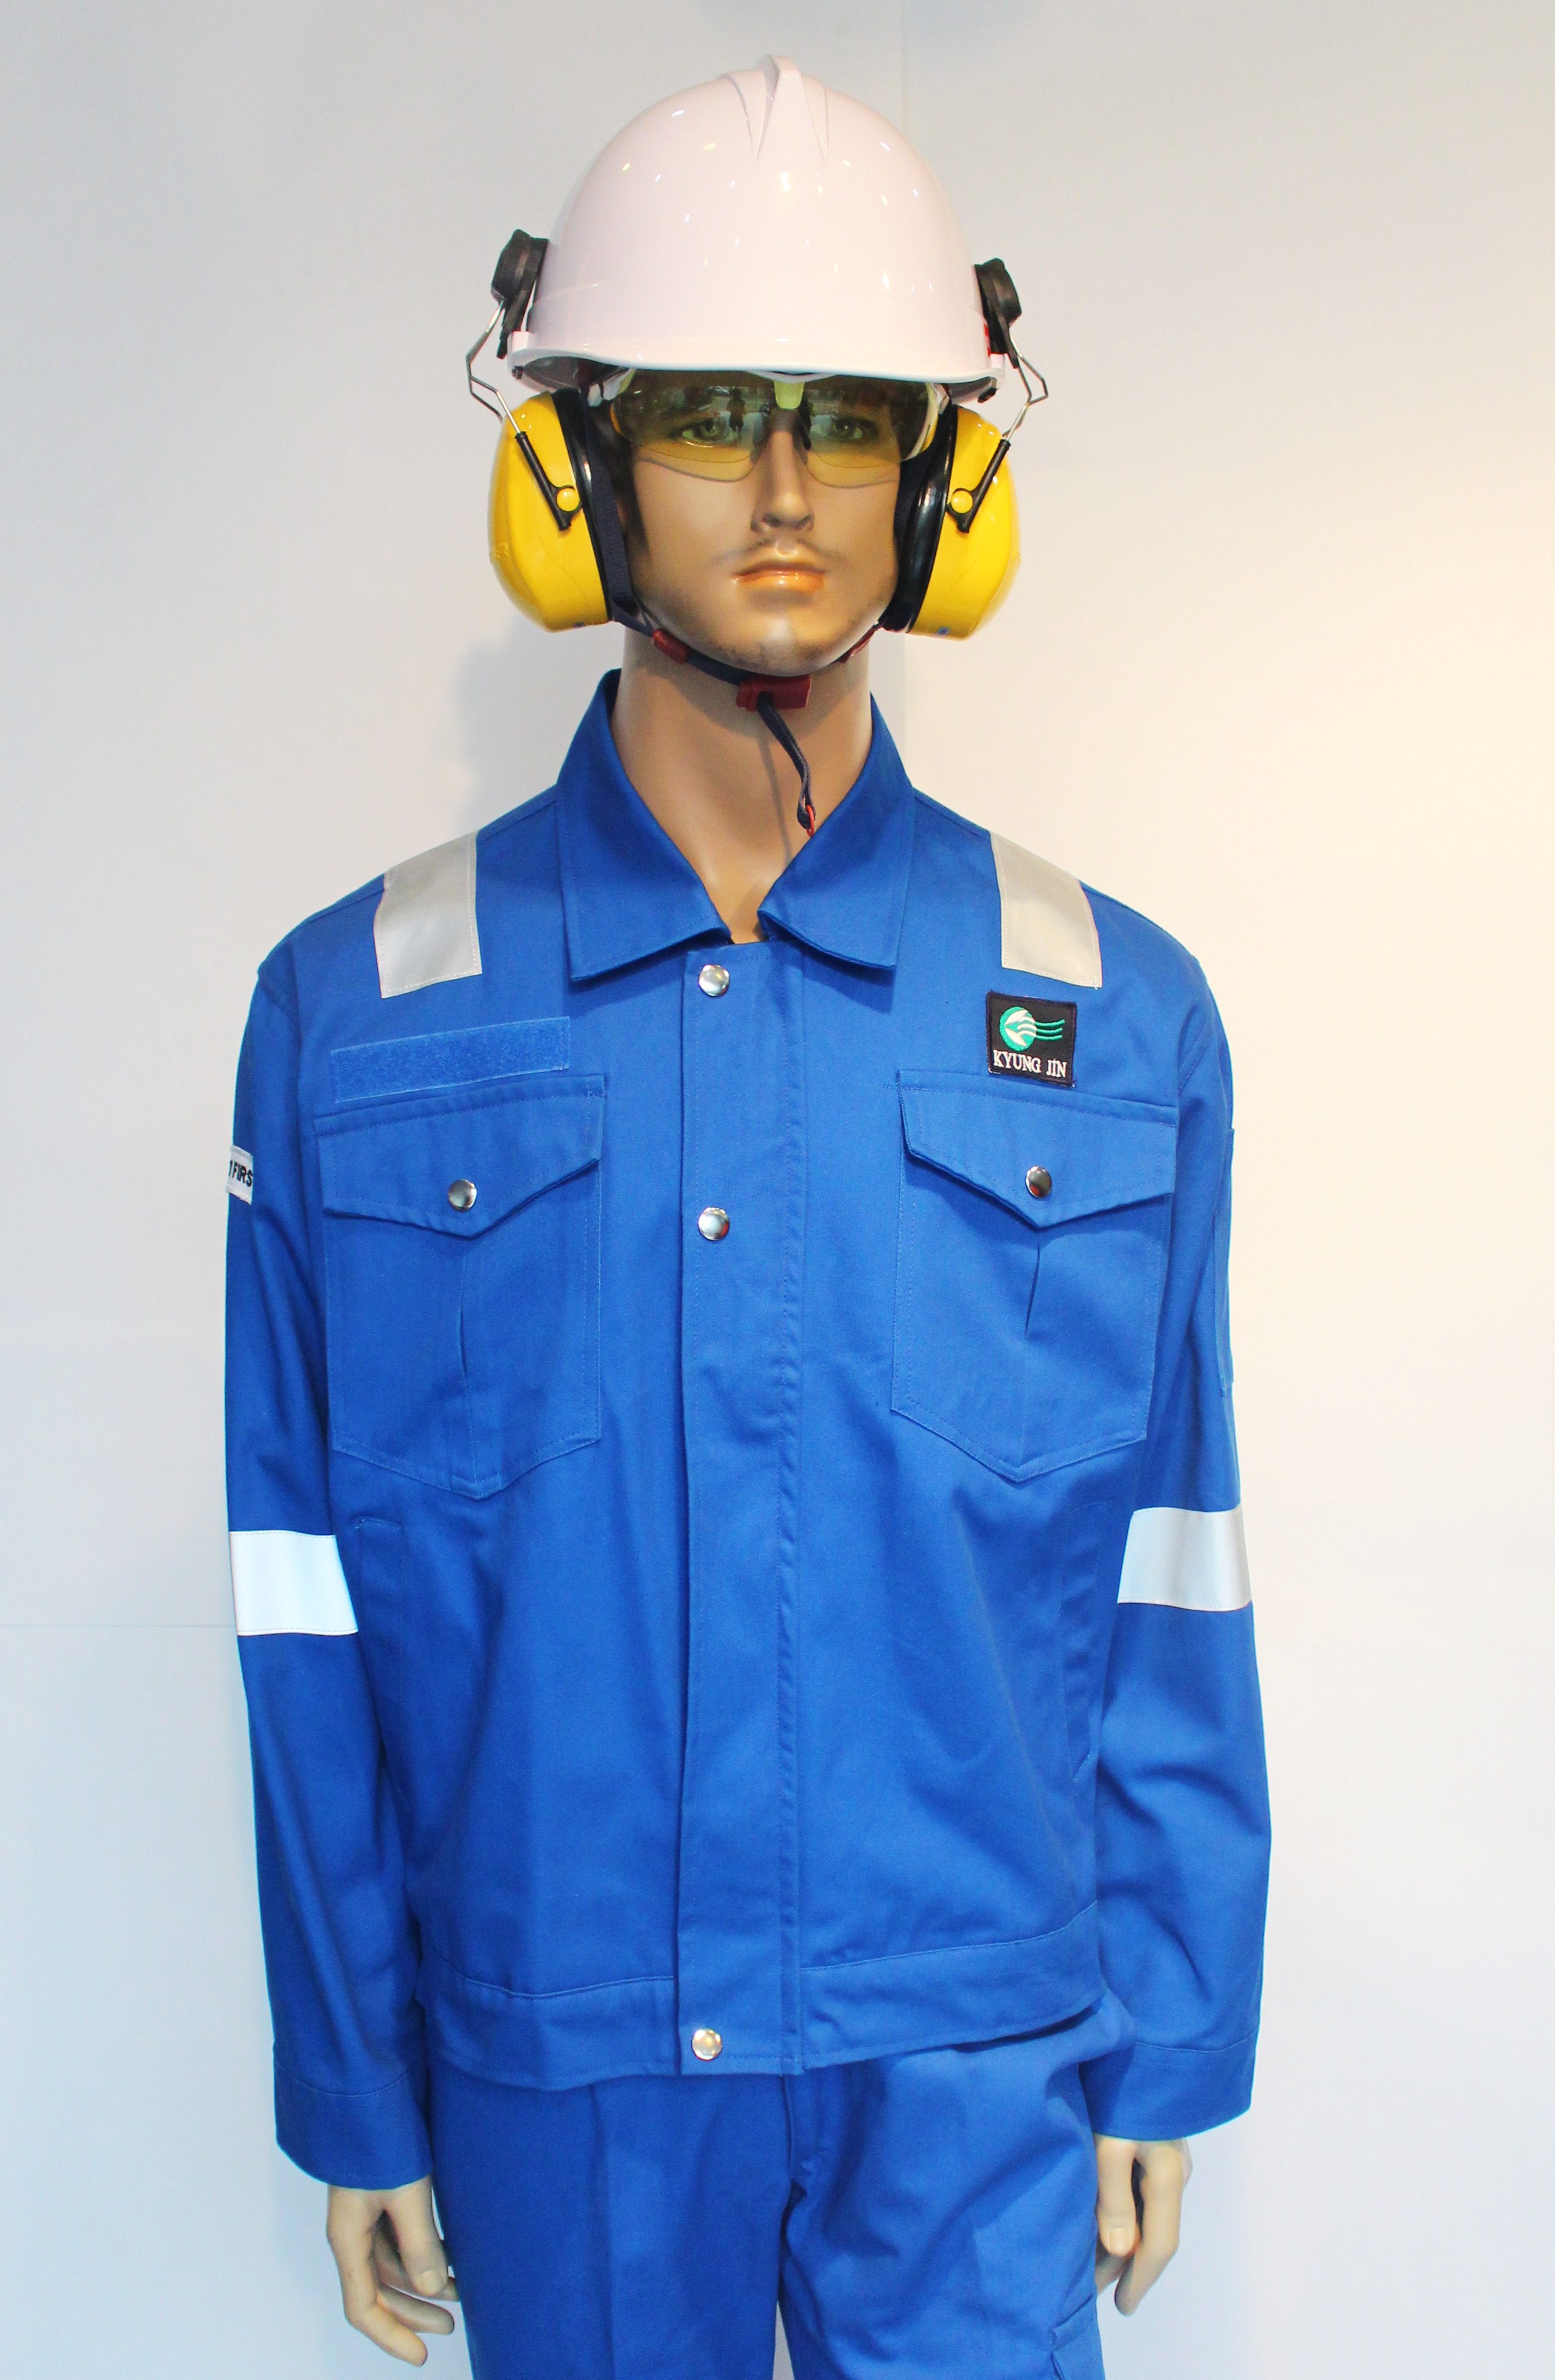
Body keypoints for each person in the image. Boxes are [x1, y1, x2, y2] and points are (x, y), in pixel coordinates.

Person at [225, 56, 1270, 2380]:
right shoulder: (360, 1011)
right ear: (575, 472)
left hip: (975, 2054)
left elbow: (1170, 1555)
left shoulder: (1111, 1010)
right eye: (707, 415)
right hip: (561, 2058)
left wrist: (1168, 2031)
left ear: (945, 480)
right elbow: (300, 1600)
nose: (786, 492)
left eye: (852, 420)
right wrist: (353, 2075)